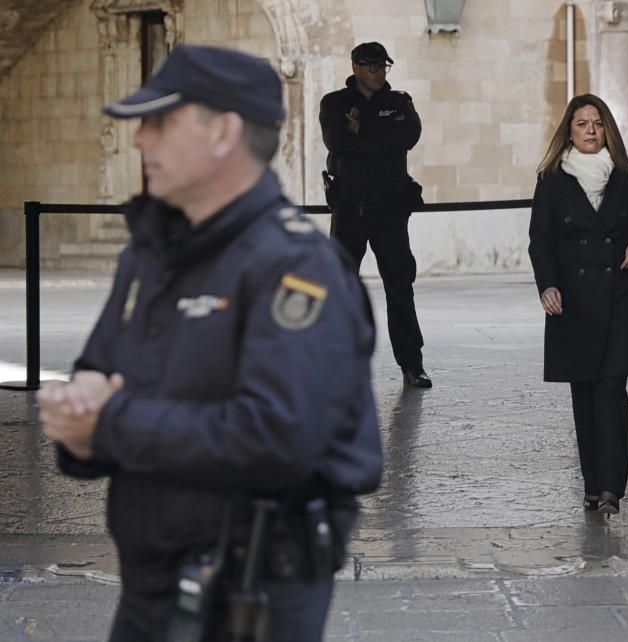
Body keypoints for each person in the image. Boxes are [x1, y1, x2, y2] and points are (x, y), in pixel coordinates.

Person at [36, 45, 383, 641]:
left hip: (249, 595)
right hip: (152, 584)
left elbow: (277, 438)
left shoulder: (296, 266)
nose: (139, 140)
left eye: (159, 122)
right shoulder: (151, 253)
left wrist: (110, 423)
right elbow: (101, 367)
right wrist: (80, 415)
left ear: (223, 132)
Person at [528, 94, 628, 516]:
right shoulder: (551, 179)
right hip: (573, 300)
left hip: (621, 293)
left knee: (611, 389)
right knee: (584, 393)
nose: (589, 130)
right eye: (581, 123)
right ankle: (591, 485)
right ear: (569, 130)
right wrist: (547, 286)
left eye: (597, 123)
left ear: (608, 130)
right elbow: (540, 240)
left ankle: (611, 489)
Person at [319, 41, 432, 388]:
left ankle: (412, 364)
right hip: (350, 206)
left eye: (383, 66)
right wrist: (383, 137)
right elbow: (338, 142)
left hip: (389, 207)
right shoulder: (335, 104)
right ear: (355, 67)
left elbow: (409, 135)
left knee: (400, 287)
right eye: (371, 67)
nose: (378, 72)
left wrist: (362, 128)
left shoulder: (399, 101)